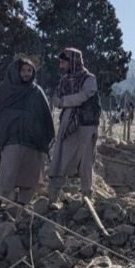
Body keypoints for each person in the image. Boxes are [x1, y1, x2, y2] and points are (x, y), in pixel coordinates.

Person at [0, 57, 55, 206]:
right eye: (23, 70)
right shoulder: (5, 90)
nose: (26, 74)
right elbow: (0, 115)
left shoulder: (36, 92)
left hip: (32, 141)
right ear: (16, 71)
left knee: (30, 175)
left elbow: (45, 115)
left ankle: (21, 206)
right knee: (8, 173)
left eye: (29, 70)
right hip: (11, 139)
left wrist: (43, 136)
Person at [47, 48, 101, 203]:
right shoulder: (64, 80)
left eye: (64, 62)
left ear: (73, 62)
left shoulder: (89, 79)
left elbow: (84, 96)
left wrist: (64, 101)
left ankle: (87, 196)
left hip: (85, 125)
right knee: (60, 158)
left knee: (85, 161)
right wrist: (60, 101)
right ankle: (53, 197)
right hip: (67, 125)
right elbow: (56, 98)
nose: (61, 65)